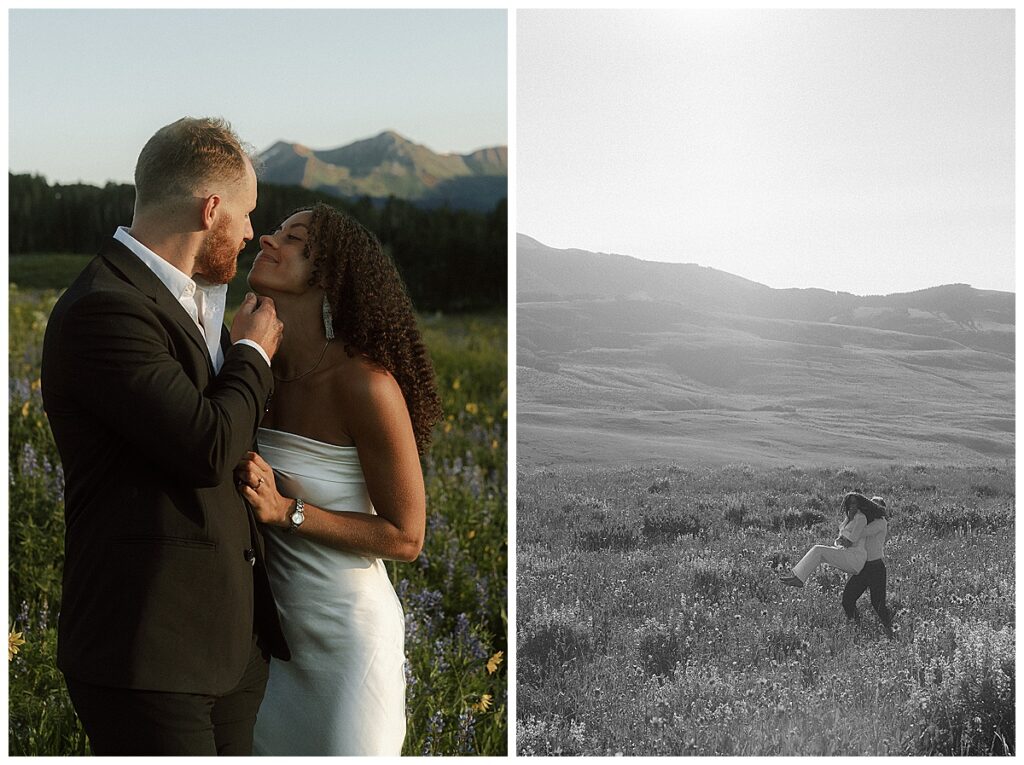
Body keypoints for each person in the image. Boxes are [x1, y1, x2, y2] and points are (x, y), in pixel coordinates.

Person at [40, 117, 290, 755]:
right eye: (245, 214)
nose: (251, 232)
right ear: (210, 209)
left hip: (227, 648)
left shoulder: (196, 302)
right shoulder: (105, 307)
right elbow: (205, 446)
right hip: (147, 652)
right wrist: (254, 355)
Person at [234, 203, 443, 755]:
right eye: (274, 231)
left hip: (347, 645)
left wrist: (287, 511)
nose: (268, 241)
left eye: (292, 237)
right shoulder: (250, 368)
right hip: (264, 647)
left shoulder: (365, 385)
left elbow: (406, 536)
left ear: (327, 273)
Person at [779, 492, 886, 589]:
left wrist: (846, 538)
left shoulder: (863, 518)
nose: (852, 505)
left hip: (855, 558)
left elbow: (851, 540)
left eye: (855, 503)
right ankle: (798, 576)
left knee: (818, 550)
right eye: (850, 503)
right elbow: (841, 539)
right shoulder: (851, 517)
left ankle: (799, 579)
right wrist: (848, 522)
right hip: (847, 553)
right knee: (818, 551)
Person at [840, 496, 894, 639]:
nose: (871, 508)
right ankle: (857, 627)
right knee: (847, 599)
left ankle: (890, 631)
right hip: (862, 567)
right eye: (871, 505)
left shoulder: (880, 523)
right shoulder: (864, 521)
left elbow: (857, 535)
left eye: (875, 506)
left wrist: (854, 522)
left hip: (876, 568)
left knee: (878, 604)